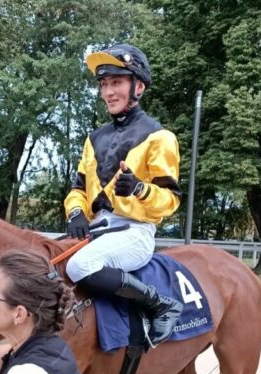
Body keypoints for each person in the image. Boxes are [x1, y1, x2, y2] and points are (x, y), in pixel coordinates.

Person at [63, 43, 183, 345]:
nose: (108, 92)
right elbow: (78, 189)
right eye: (104, 84)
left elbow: (170, 200)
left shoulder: (160, 137)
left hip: (134, 233)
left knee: (78, 266)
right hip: (95, 232)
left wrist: (139, 189)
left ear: (138, 86)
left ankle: (160, 304)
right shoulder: (94, 139)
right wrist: (76, 212)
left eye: (116, 82)